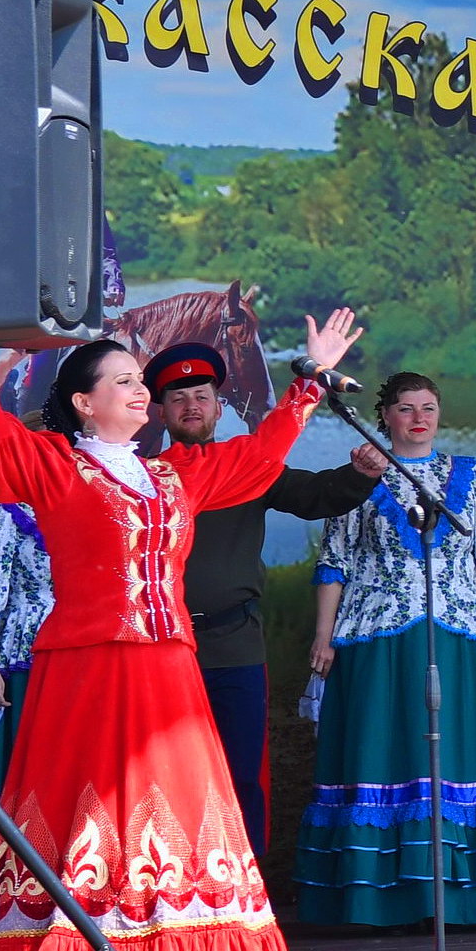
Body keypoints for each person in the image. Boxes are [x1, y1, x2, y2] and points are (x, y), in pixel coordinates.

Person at [0, 310, 358, 951]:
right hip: (86, 669)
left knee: (182, 825)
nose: (142, 393)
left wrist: (306, 383)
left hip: (169, 672)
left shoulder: (173, 473)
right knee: (85, 820)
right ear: (84, 402)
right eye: (124, 382)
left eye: (141, 382)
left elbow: (261, 455)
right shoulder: (54, 465)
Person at [293, 372, 476, 928]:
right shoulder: (364, 470)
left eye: (428, 407)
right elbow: (336, 561)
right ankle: (382, 896)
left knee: (457, 752)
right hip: (380, 632)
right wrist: (322, 635)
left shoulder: (467, 474)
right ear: (385, 415)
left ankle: (471, 894)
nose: (419, 418)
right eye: (406, 408)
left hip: (458, 629)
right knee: (390, 748)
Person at [147, 340, 385, 859]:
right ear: (159, 410)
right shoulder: (144, 478)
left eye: (202, 395)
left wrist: (362, 475)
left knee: (242, 775)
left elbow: (316, 495)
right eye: (180, 396)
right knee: (163, 777)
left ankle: (248, 896)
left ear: (217, 405)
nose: (192, 405)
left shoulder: (245, 465)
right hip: (163, 648)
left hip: (235, 644)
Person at [0, 494, 49, 874]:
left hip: (79, 657)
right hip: (26, 659)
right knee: (17, 771)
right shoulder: (8, 515)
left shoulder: (84, 502)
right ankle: (0, 878)